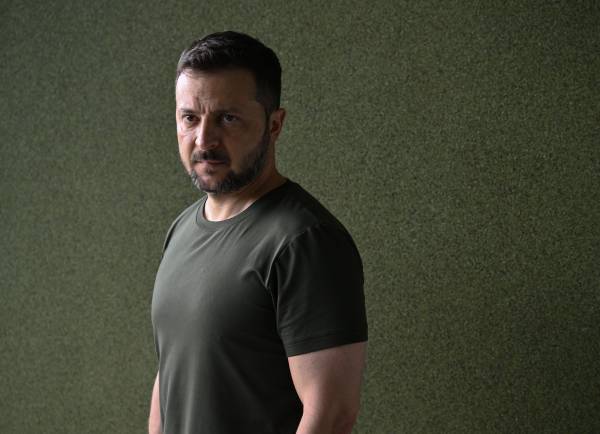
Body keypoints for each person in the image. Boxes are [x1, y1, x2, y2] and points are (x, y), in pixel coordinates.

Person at [149, 31, 368, 434]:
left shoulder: (305, 241)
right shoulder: (181, 230)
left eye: (227, 118)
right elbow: (172, 375)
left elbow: (332, 414)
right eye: (190, 118)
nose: (204, 139)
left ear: (274, 124)